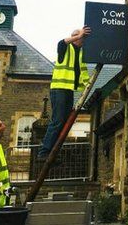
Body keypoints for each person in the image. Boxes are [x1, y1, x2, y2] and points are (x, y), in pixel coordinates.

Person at [37, 26, 91, 160]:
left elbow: (82, 73)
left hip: (68, 91)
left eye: (80, 36)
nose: (79, 38)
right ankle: (44, 152)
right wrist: (78, 36)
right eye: (76, 36)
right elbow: (61, 42)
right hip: (59, 89)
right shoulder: (65, 49)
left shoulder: (81, 53)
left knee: (65, 122)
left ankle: (53, 153)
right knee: (57, 120)